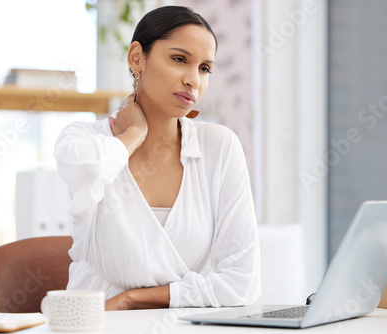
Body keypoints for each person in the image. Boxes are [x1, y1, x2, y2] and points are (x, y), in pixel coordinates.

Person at [54, 5, 261, 311]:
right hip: (96, 325)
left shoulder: (219, 147)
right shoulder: (84, 140)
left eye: (205, 68)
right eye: (180, 59)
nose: (194, 80)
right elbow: (89, 172)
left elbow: (242, 284)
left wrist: (131, 298)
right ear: (137, 57)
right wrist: (133, 134)